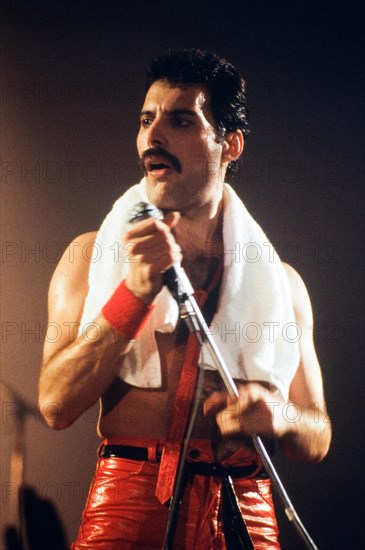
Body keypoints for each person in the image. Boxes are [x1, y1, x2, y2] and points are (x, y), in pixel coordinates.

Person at [38, 49, 331, 549]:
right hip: (130, 507)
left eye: (179, 120)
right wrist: (132, 295)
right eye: (146, 119)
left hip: (246, 512)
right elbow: (55, 404)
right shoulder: (89, 256)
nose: (153, 137)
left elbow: (318, 433)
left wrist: (277, 416)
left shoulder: (284, 285)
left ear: (230, 144)